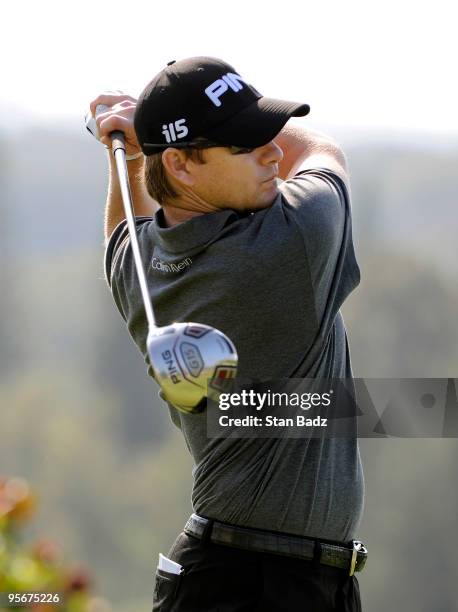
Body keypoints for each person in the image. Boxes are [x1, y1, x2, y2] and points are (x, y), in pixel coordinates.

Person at [89, 56, 366, 612]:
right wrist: (140, 130)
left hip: (237, 572)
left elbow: (126, 230)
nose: (270, 153)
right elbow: (321, 152)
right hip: (260, 583)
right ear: (184, 166)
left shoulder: (139, 270)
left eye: (265, 134)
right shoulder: (292, 239)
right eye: (244, 144)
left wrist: (135, 147)